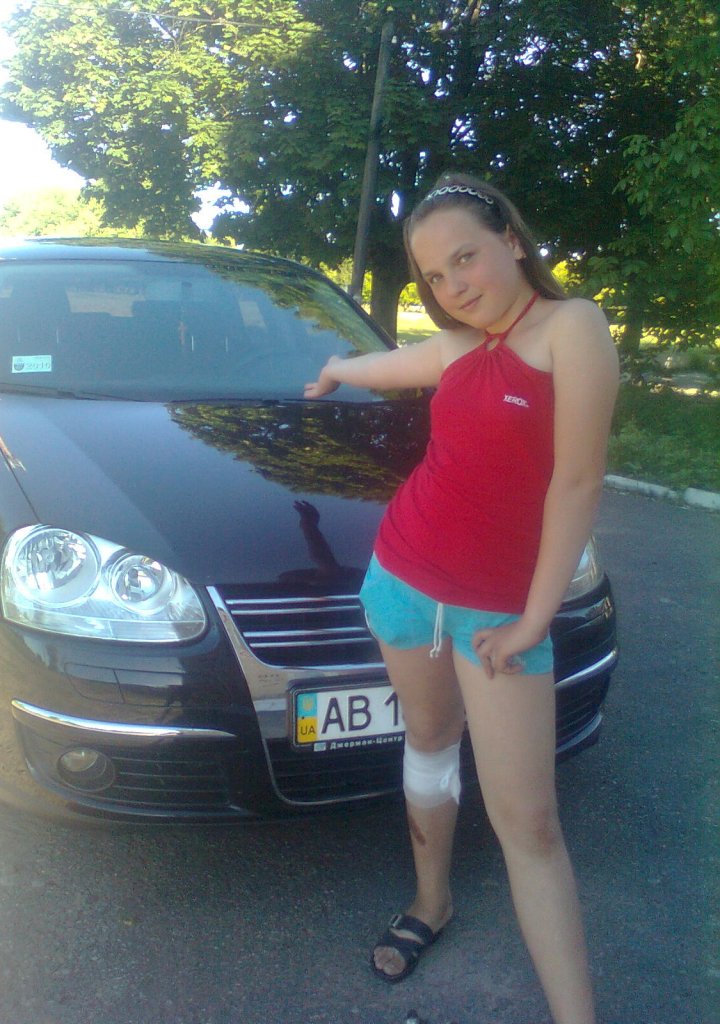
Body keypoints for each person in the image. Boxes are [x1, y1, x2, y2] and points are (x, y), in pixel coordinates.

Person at [303, 172, 619, 1024]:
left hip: (501, 614)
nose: (454, 285)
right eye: (435, 276)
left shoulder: (571, 327)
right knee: (431, 741)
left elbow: (577, 483)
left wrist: (534, 619)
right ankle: (431, 900)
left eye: (466, 258)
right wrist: (336, 367)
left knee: (530, 825)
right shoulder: (457, 347)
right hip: (402, 580)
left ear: (510, 239)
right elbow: (391, 363)